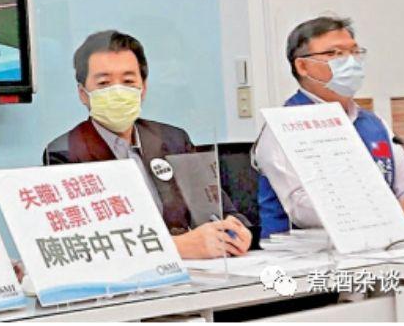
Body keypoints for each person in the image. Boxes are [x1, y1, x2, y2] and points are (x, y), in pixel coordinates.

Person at [43, 30, 253, 259]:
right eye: (104, 83)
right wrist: (177, 248)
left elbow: (220, 211)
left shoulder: (174, 140)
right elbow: (80, 245)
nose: (118, 91)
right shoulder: (65, 152)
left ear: (143, 88)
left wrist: (237, 230)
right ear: (83, 94)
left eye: (128, 81)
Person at [255, 16, 404, 237]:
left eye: (354, 52)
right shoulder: (284, 126)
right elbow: (301, 208)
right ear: (302, 66)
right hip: (306, 251)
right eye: (334, 53)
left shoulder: (373, 124)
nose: (349, 61)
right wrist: (389, 213)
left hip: (381, 243)